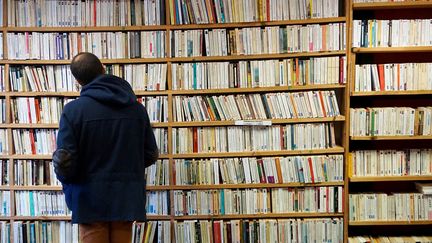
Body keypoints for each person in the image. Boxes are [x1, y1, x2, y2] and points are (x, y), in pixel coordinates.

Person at [53, 52, 159, 243]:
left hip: (88, 198)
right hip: (126, 197)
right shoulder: (136, 109)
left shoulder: (73, 111)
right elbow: (151, 154)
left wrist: (70, 185)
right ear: (103, 69)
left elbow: (64, 161)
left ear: (78, 81)